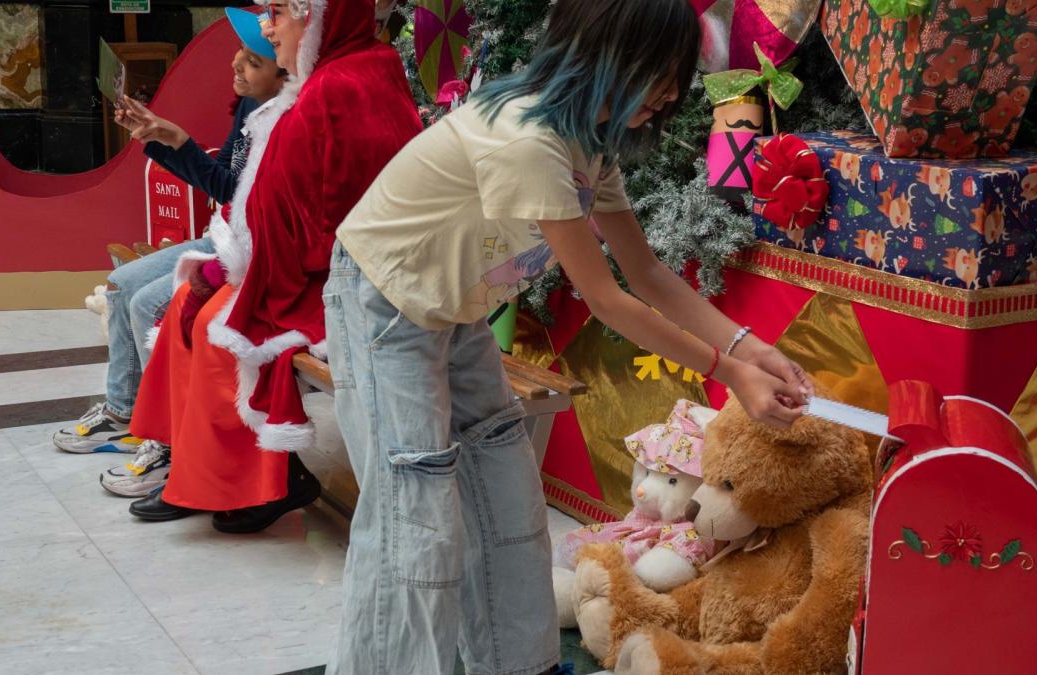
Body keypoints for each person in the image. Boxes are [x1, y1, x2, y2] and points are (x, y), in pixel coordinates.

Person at [324, 0, 813, 672]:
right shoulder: (529, 141)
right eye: (662, 74)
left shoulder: (589, 141)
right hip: (384, 304)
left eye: (677, 76)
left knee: (506, 496)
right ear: (610, 54)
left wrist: (749, 347)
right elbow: (607, 298)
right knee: (417, 524)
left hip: (454, 308)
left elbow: (646, 271)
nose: (673, 94)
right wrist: (727, 373)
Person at [124, 0, 421, 534]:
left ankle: (260, 485)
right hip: (297, 261)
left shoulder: (336, 86)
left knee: (220, 333)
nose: (265, 27)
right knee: (183, 315)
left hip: (331, 278)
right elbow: (260, 196)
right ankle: (190, 470)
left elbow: (327, 214)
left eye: (278, 12)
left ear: (319, 17)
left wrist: (232, 269)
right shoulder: (323, 82)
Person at [50, 7, 288, 500]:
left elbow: (243, 198)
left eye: (252, 62)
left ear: (283, 71)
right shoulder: (250, 107)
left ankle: (173, 441)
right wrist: (164, 139)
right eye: (238, 57)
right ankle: (124, 409)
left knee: (147, 304)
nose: (237, 68)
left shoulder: (288, 119)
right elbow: (226, 184)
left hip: (250, 252)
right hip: (226, 234)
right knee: (121, 285)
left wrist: (176, 139)